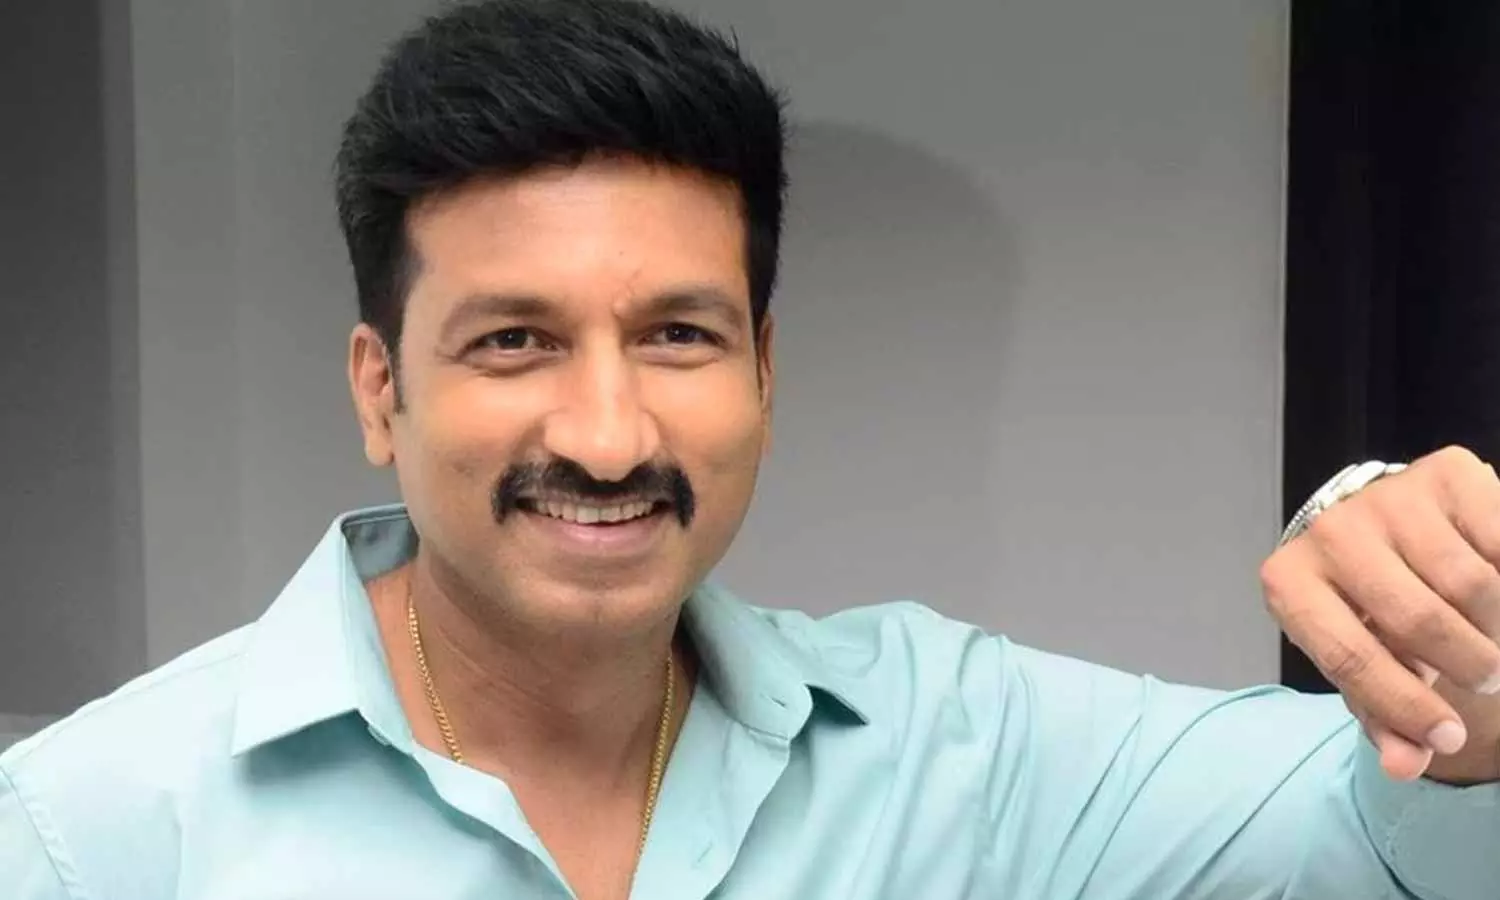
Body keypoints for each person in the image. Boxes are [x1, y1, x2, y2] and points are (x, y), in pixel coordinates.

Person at [5, 1, 1500, 897]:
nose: (608, 438)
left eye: (678, 334)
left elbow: (1381, 846)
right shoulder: (86, 831)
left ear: (764, 372)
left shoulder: (957, 749)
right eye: (513, 340)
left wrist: (1463, 657)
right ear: (380, 389)